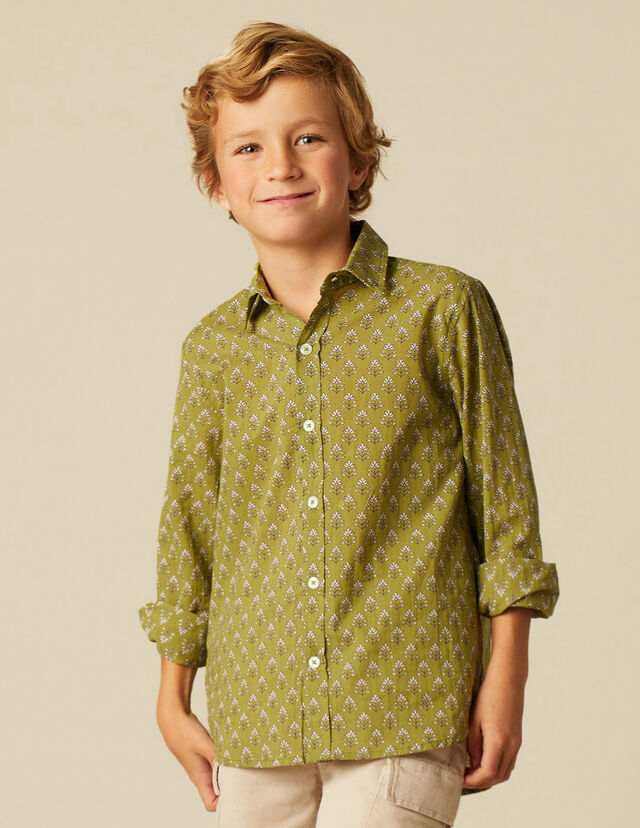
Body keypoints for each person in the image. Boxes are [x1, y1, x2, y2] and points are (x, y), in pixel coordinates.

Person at [137, 20, 560, 827]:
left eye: (308, 138)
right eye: (249, 148)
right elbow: (191, 524)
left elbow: (506, 510)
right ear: (216, 183)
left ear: (359, 160)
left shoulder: (443, 309)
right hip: (255, 715)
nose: (281, 165)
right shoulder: (214, 349)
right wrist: (171, 696)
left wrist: (508, 677)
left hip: (406, 704)